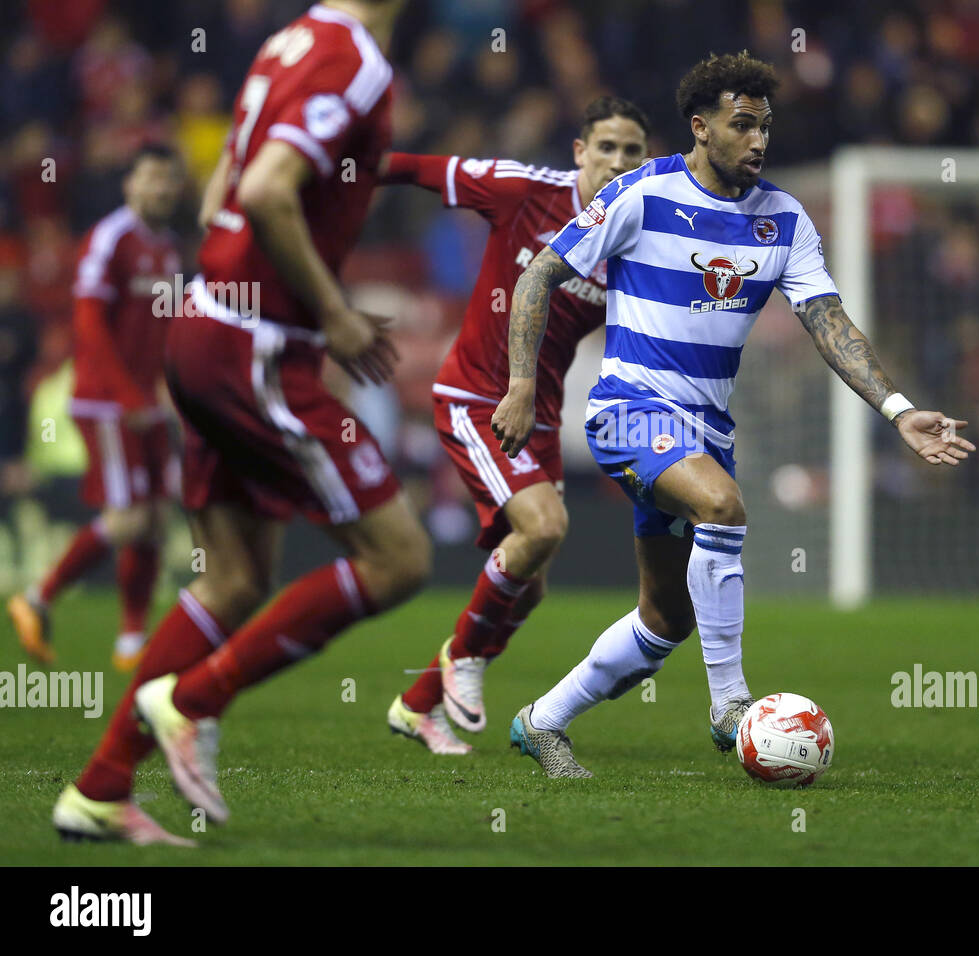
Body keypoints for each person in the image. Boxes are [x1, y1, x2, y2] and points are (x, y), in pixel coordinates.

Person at [491, 52, 976, 777]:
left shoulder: (782, 219)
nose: (758, 141)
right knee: (723, 507)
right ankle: (731, 704)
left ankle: (543, 721)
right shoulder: (640, 193)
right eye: (742, 125)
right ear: (700, 127)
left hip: (708, 432)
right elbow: (540, 273)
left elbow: (828, 321)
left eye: (765, 127)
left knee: (666, 619)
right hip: (629, 409)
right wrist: (523, 382)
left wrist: (898, 409)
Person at [52, 0, 423, 846]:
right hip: (257, 348)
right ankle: (192, 701)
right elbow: (261, 191)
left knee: (233, 580)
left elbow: (226, 180)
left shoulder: (289, 39)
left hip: (211, 322)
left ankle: (102, 785)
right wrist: (330, 312)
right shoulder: (357, 58)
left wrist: (232, 280)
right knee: (398, 557)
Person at [378, 96, 650, 753]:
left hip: (541, 415)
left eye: (632, 151)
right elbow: (416, 168)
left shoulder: (637, 236)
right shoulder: (527, 191)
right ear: (580, 151)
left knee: (528, 590)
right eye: (606, 147)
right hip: (476, 395)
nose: (618, 162)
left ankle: (418, 705)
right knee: (546, 526)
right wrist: (327, 167)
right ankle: (463, 664)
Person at [8, 144, 184, 672]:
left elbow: (168, 328)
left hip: (146, 401)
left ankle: (132, 640)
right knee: (128, 517)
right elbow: (89, 322)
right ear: (128, 184)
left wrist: (168, 388)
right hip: (106, 400)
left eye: (167, 179)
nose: (160, 188)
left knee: (153, 516)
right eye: (149, 178)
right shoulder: (110, 238)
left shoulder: (170, 248)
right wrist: (127, 392)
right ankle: (39, 596)